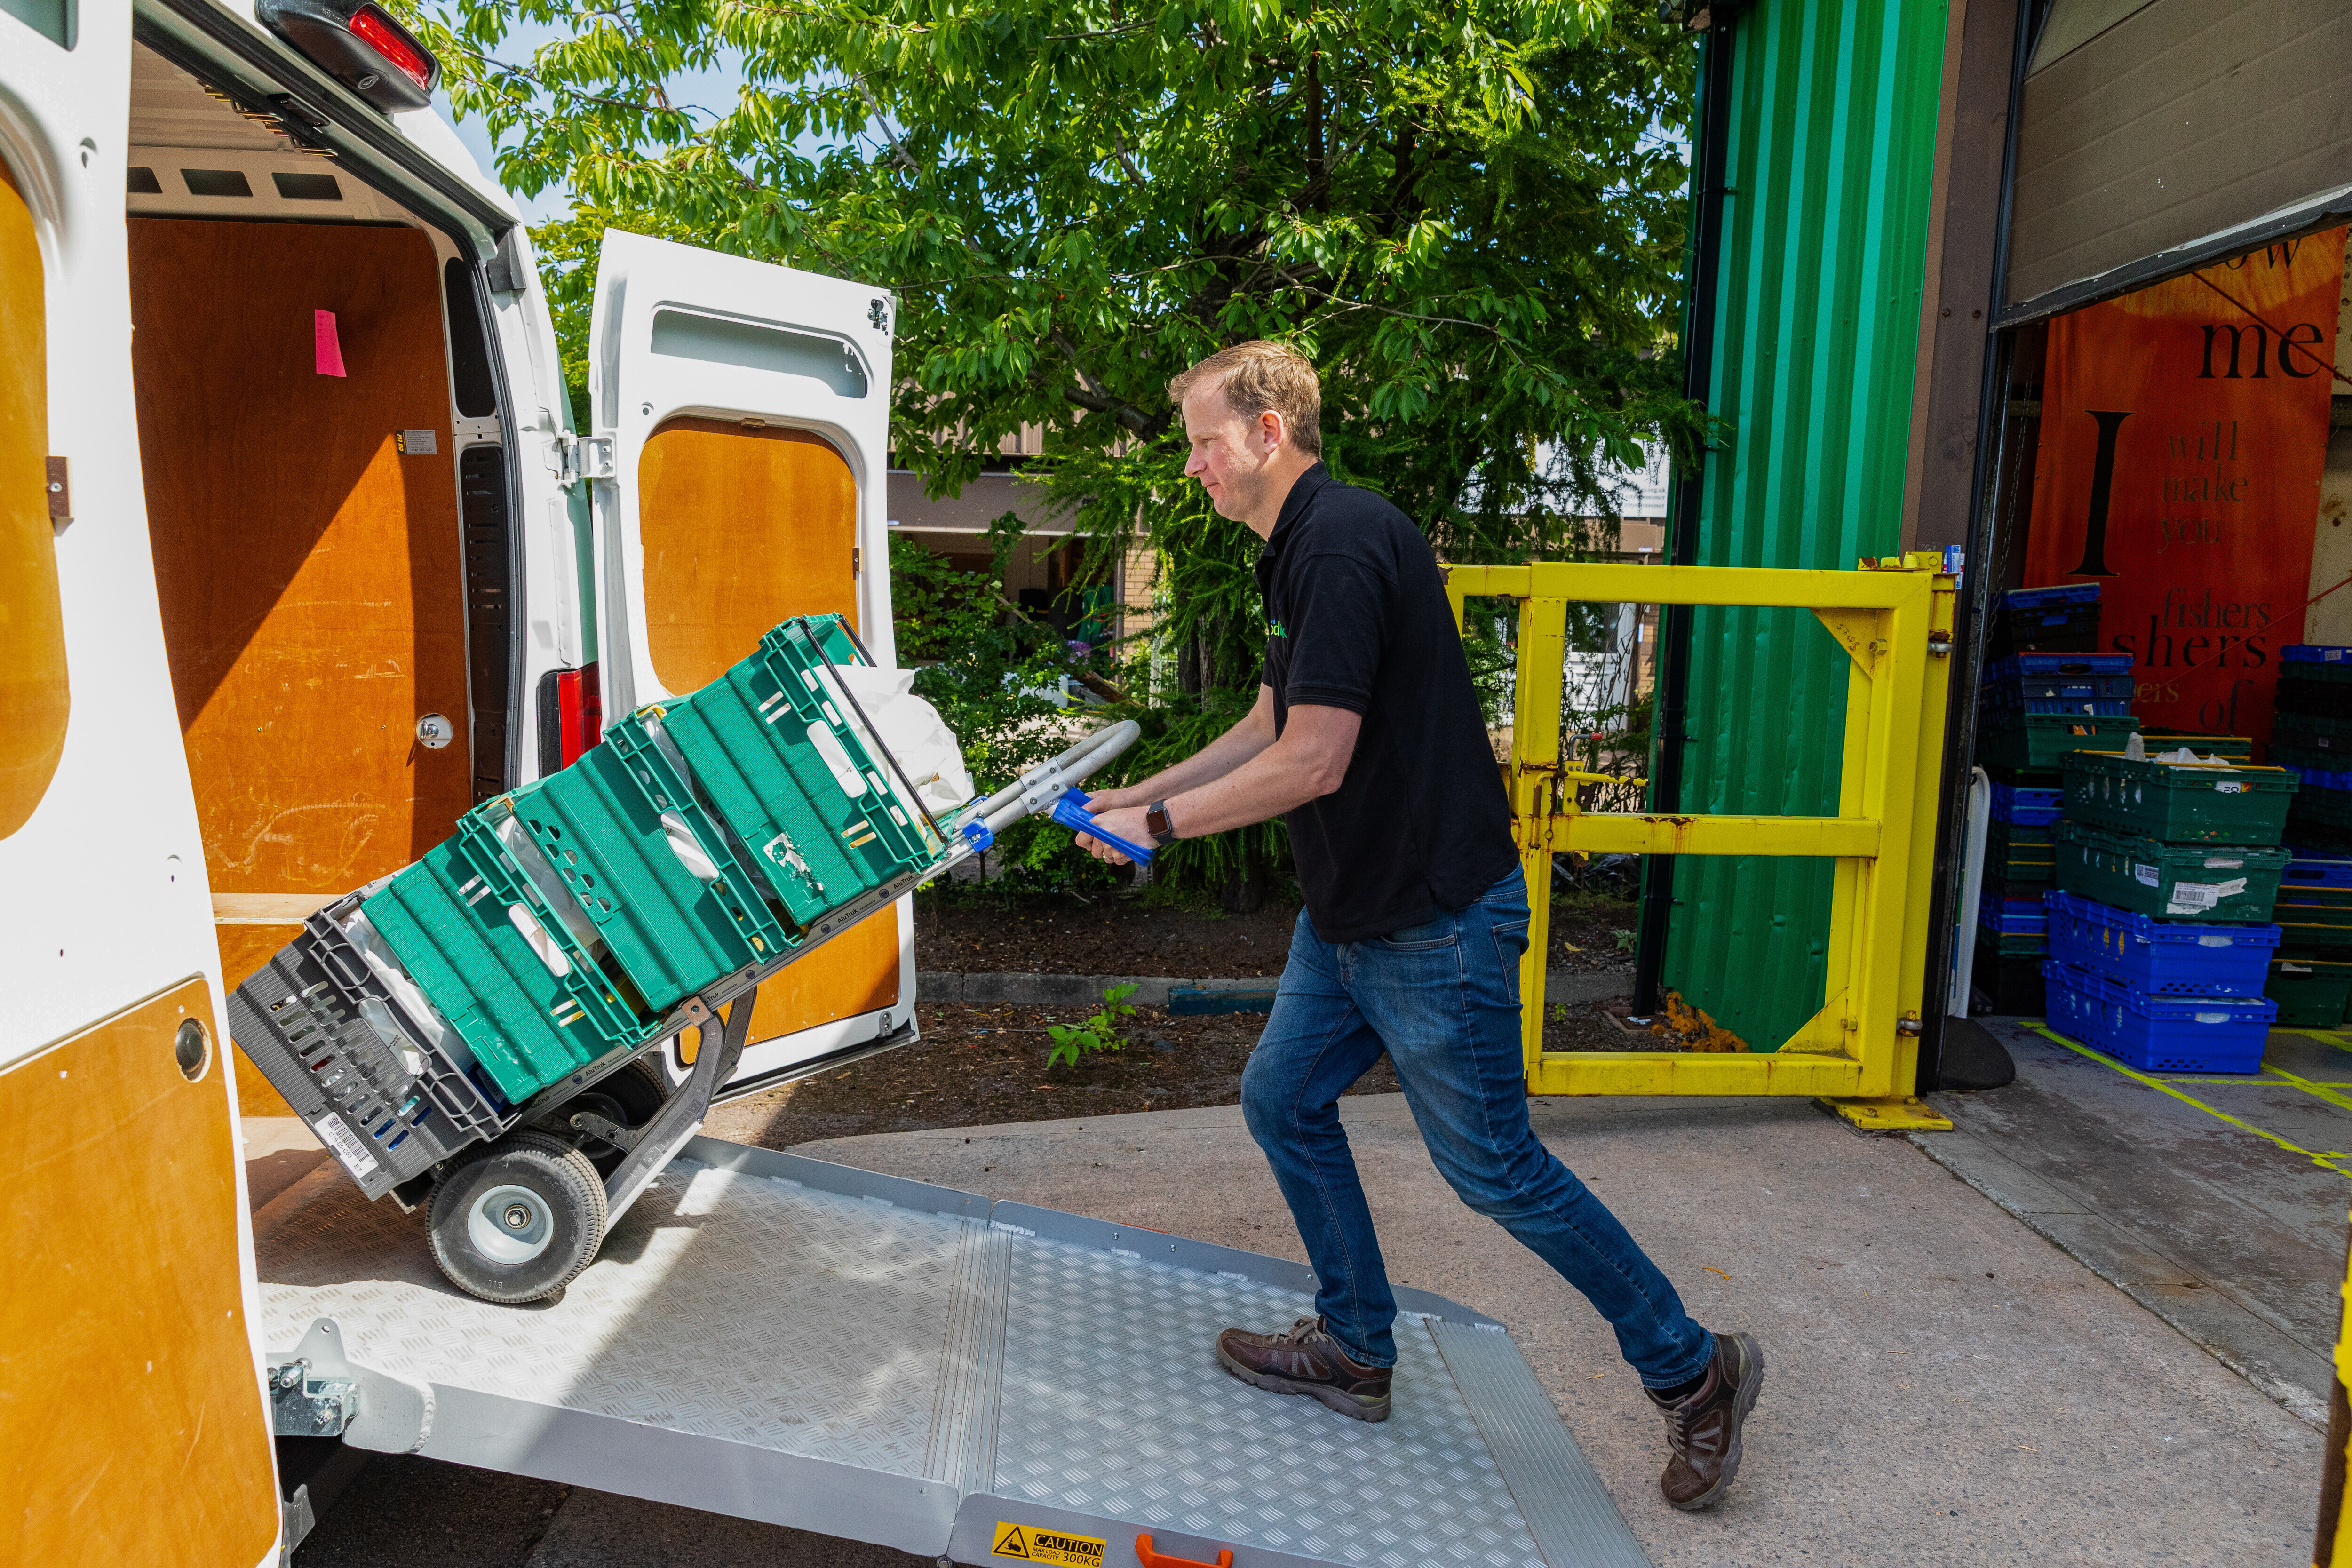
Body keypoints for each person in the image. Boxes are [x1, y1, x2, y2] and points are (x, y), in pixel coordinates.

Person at [1074, 340, 1763, 1512]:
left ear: (1266, 434)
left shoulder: (1341, 543)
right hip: (1353, 916)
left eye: (1201, 439)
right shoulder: (1300, 550)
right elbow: (1268, 715)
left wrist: (1167, 826)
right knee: (1280, 1099)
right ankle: (1354, 1346)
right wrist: (1138, 796)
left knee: (1496, 1170)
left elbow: (1314, 757)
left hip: (1432, 922)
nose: (1190, 465)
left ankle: (1692, 1369)